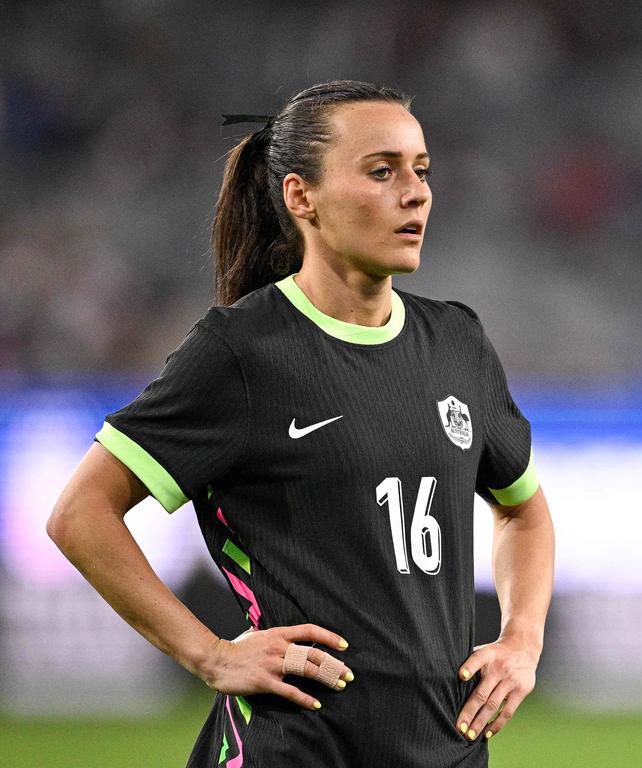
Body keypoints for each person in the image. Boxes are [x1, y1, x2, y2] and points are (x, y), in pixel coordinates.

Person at [47, 79, 555, 767]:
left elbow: (523, 511)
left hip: (449, 749)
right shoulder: (243, 353)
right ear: (300, 197)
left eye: (422, 170)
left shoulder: (458, 344)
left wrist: (522, 639)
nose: (415, 193)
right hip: (296, 748)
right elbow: (81, 513)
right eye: (382, 171)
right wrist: (211, 654)